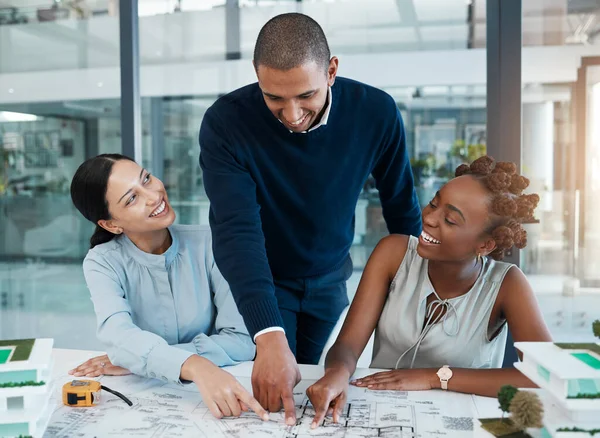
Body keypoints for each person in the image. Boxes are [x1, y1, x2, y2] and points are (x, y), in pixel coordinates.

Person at [199, 13, 421, 424]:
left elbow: (401, 207)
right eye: (274, 98)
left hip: (329, 277)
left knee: (305, 377)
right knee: (271, 389)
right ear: (256, 75)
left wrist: (424, 283)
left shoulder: (377, 112)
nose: (291, 113)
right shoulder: (226, 121)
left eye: (305, 95)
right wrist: (267, 336)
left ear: (332, 70)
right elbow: (235, 228)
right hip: (263, 276)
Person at [306, 156, 552, 428]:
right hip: (381, 413)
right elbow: (347, 346)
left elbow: (545, 375)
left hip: (460, 424)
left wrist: (436, 377)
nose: (429, 218)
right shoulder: (393, 253)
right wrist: (338, 372)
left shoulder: (508, 284)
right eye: (434, 203)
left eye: (449, 219)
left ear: (485, 245)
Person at [68, 154, 268, 421]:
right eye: (132, 198)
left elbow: (242, 341)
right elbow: (118, 335)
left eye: (147, 179)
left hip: (212, 393)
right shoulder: (102, 262)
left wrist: (142, 360)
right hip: (144, 402)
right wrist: (195, 365)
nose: (153, 196)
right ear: (111, 224)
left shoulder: (210, 243)